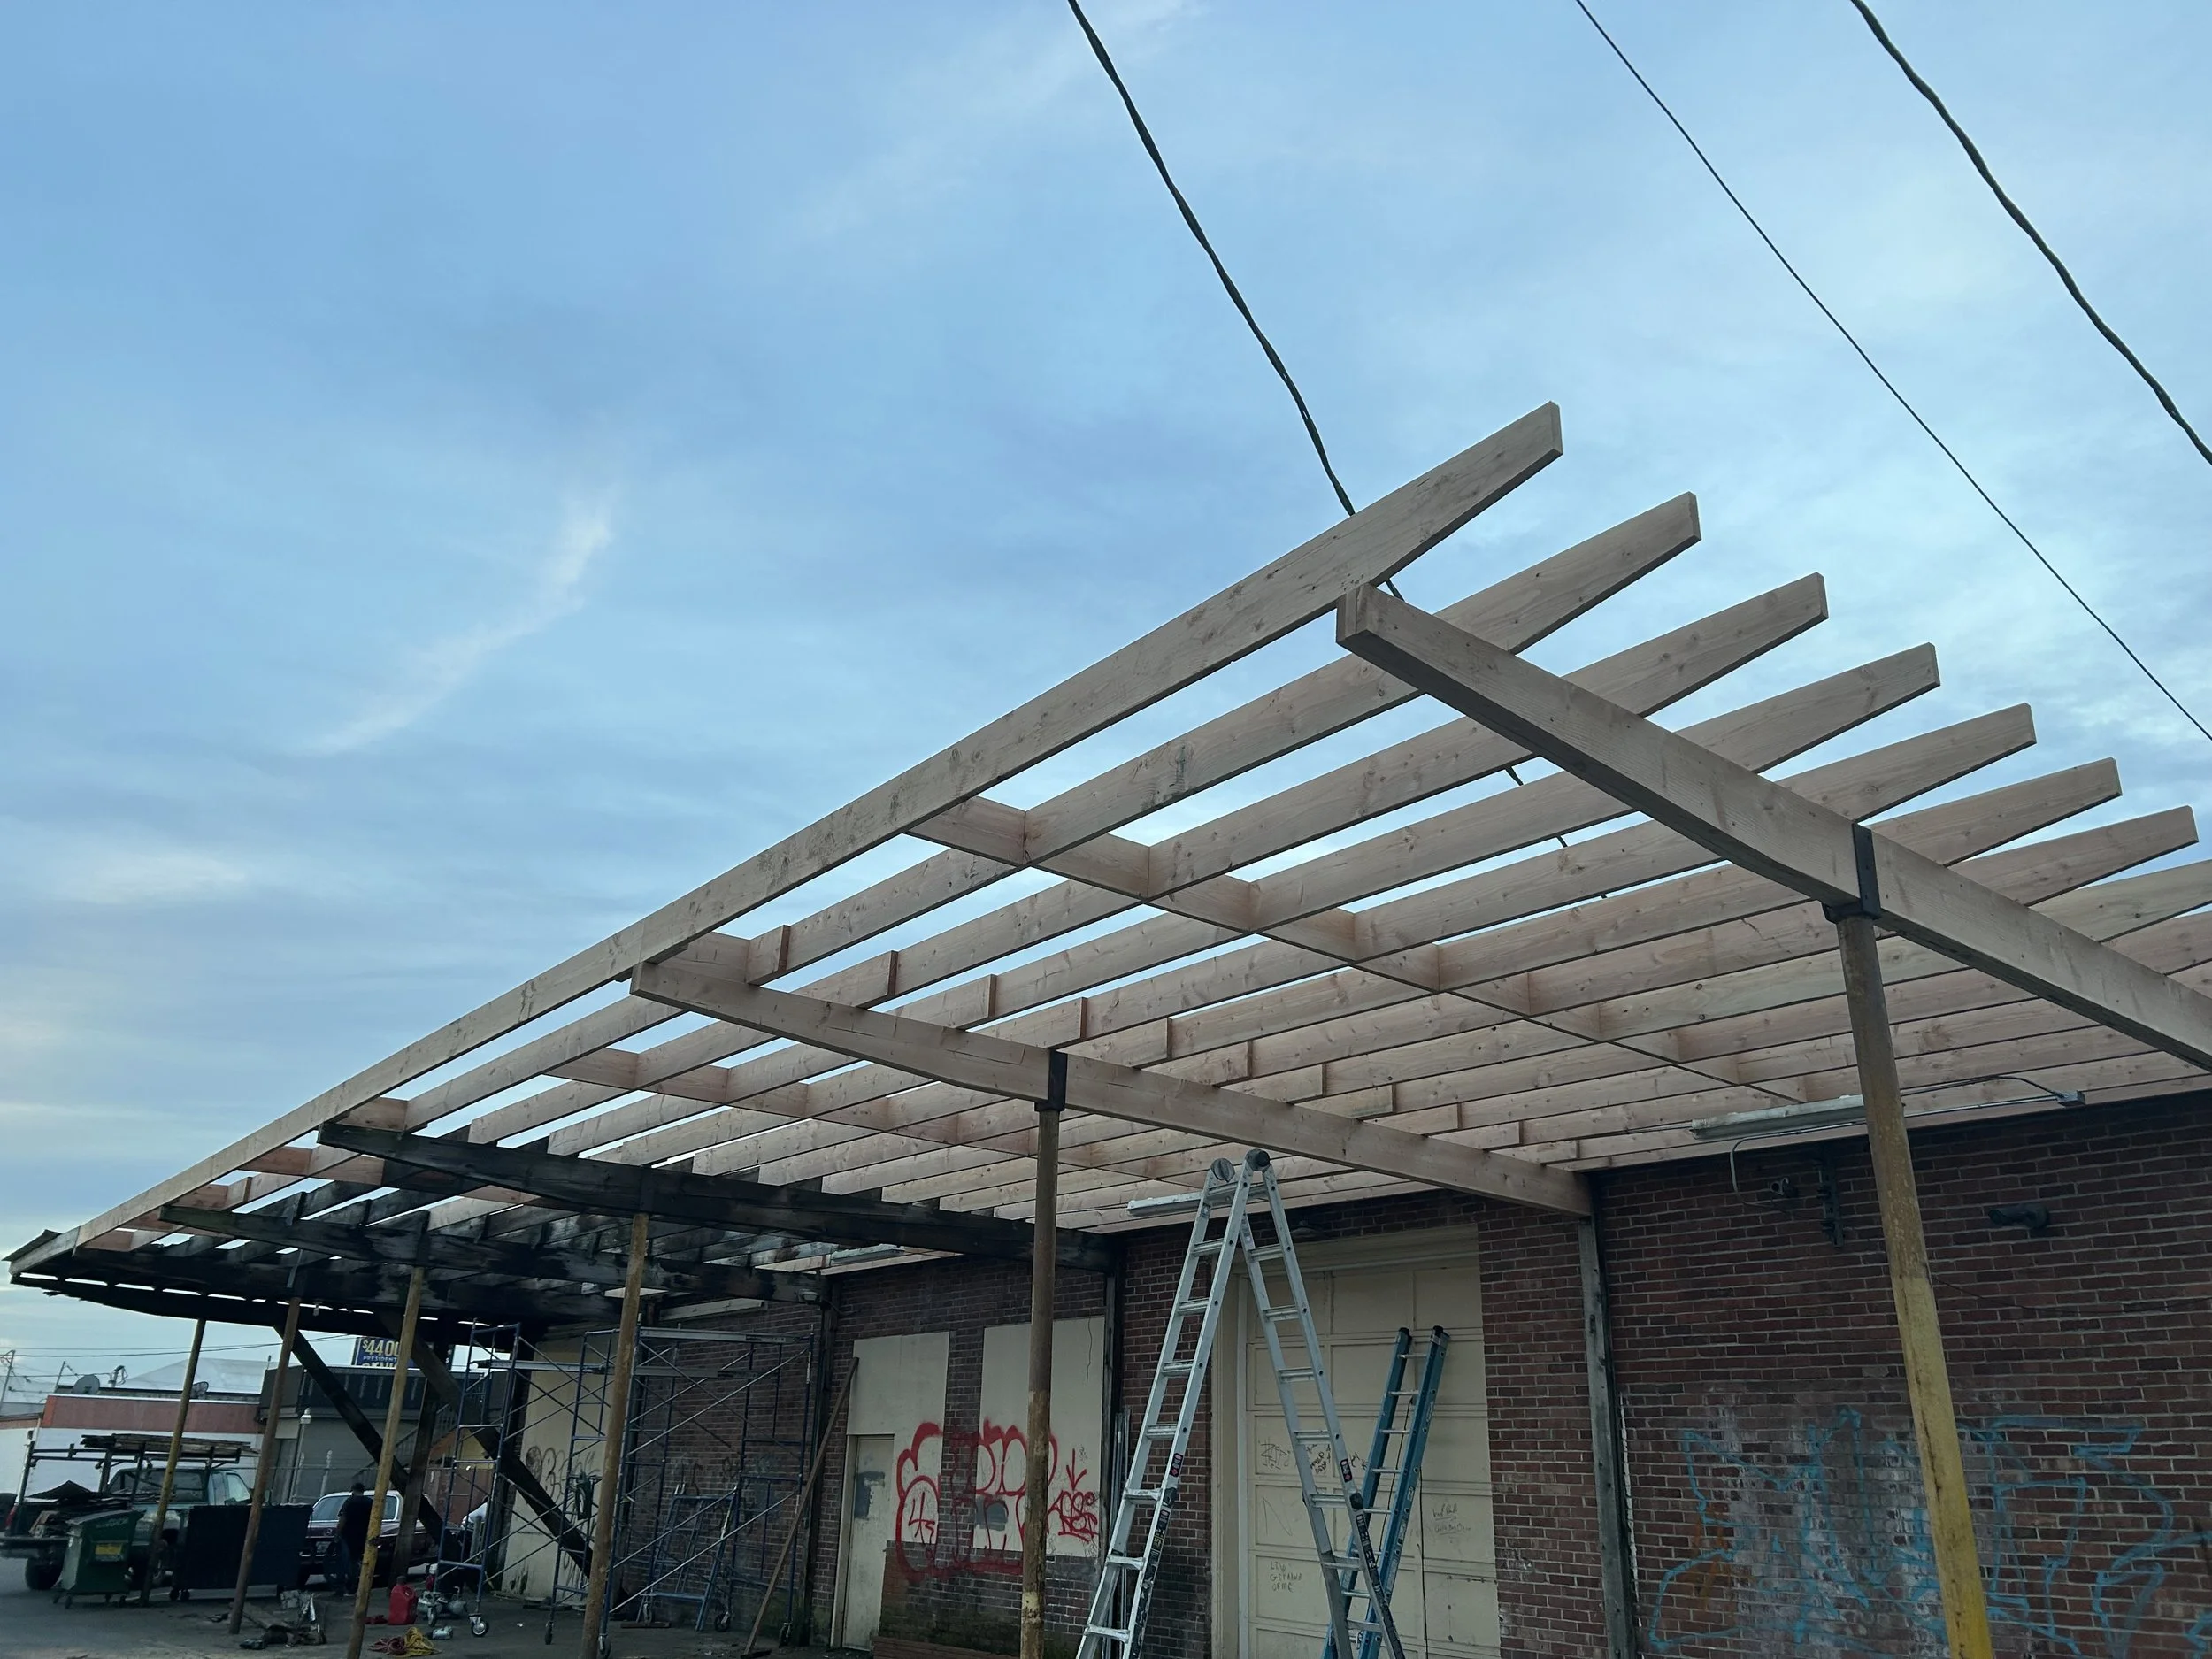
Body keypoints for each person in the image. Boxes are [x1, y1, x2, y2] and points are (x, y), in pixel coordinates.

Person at [333, 1481, 373, 1594]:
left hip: (348, 1535)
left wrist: (337, 1534)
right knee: (356, 1559)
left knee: (345, 1560)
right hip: (363, 1535)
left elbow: (343, 1519)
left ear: (353, 1491)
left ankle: (343, 1585)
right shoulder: (370, 1502)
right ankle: (355, 1583)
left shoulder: (350, 1502)